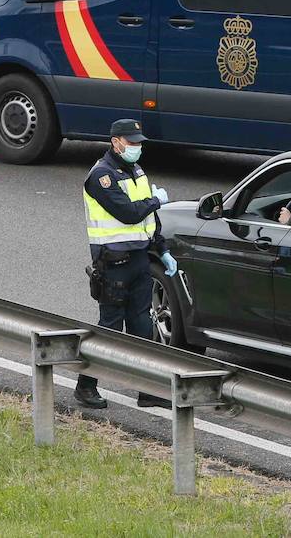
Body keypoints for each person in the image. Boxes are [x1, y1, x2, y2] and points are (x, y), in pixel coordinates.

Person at [74, 118, 177, 410]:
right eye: (131, 142)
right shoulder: (101, 177)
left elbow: (146, 221)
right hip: (113, 263)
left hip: (139, 260)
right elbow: (128, 213)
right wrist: (156, 201)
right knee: (109, 328)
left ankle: (146, 390)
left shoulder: (136, 171)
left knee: (142, 327)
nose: (137, 147)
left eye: (139, 143)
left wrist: (162, 249)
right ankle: (85, 386)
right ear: (115, 142)